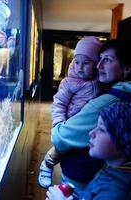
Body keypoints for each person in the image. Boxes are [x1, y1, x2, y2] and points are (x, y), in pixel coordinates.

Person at [50, 39, 131, 192]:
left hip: (83, 176)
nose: (99, 65)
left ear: (127, 68)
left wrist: (58, 123)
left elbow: (60, 137)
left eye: (107, 60)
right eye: (100, 58)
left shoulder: (108, 102)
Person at [46, 100, 131, 200]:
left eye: (102, 129)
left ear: (124, 138)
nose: (91, 133)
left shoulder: (118, 190)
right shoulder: (124, 172)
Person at [38, 36, 104, 188]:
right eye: (77, 62)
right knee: (62, 148)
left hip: (88, 124)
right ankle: (47, 164)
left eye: (86, 63)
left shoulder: (100, 81)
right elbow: (59, 103)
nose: (80, 67)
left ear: (96, 64)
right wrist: (59, 122)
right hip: (70, 122)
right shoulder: (69, 82)